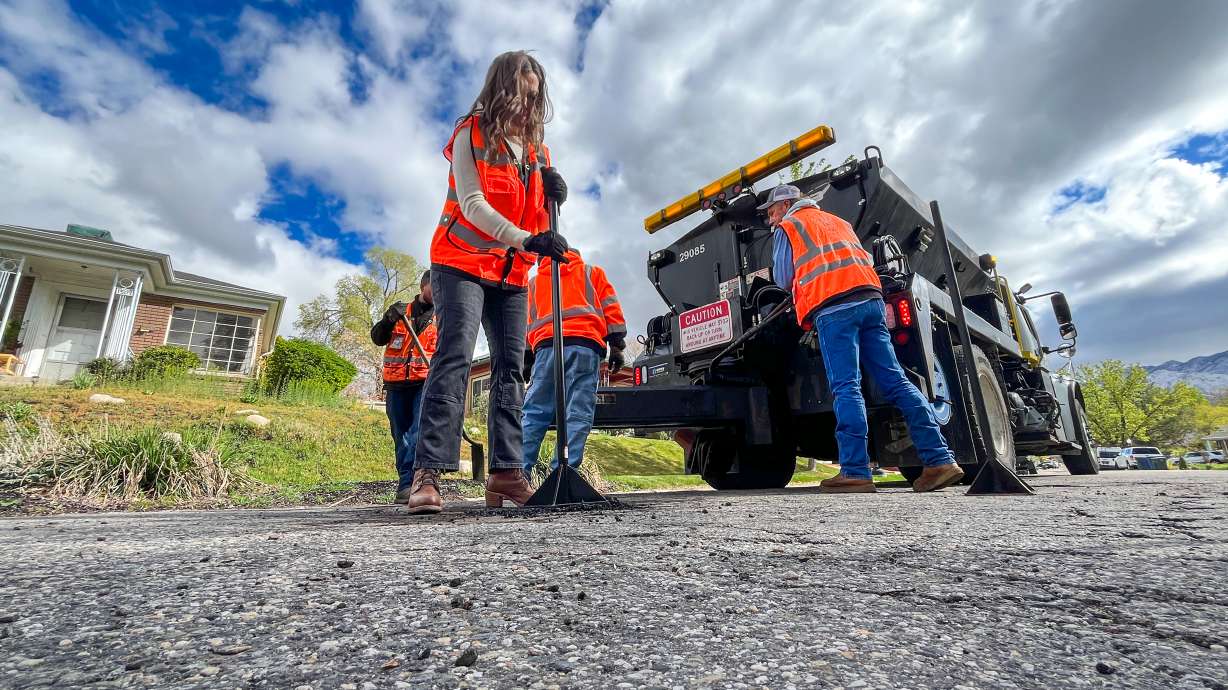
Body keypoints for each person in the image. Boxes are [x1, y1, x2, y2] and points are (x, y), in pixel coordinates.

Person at [408, 50, 571, 514]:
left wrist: (554, 202)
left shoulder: (539, 151)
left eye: (534, 96)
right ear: (502, 88)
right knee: (455, 356)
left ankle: (505, 474)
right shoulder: (471, 133)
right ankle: (428, 473)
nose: (527, 105)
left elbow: (537, 220)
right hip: (460, 261)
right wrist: (527, 240)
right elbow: (474, 203)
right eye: (521, 93)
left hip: (511, 272)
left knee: (511, 368)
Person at [761, 183, 963, 493]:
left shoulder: (790, 226)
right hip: (871, 302)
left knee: (846, 387)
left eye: (772, 211)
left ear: (787, 204)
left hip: (833, 306)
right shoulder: (839, 222)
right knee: (897, 382)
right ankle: (939, 460)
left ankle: (855, 471)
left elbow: (783, 277)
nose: (771, 219)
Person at [521, 249, 626, 477]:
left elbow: (526, 323)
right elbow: (611, 308)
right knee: (577, 411)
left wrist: (527, 360)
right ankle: (563, 474)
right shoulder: (592, 273)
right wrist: (616, 346)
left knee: (535, 412)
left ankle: (519, 475)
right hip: (585, 346)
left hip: (546, 348)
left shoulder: (534, 283)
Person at [370, 271, 436, 503]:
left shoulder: (443, 317)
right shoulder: (400, 313)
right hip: (396, 384)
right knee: (401, 434)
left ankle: (412, 483)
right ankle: (405, 480)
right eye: (433, 287)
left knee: (418, 430)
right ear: (422, 286)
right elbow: (378, 338)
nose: (438, 292)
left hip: (425, 381)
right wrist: (388, 319)